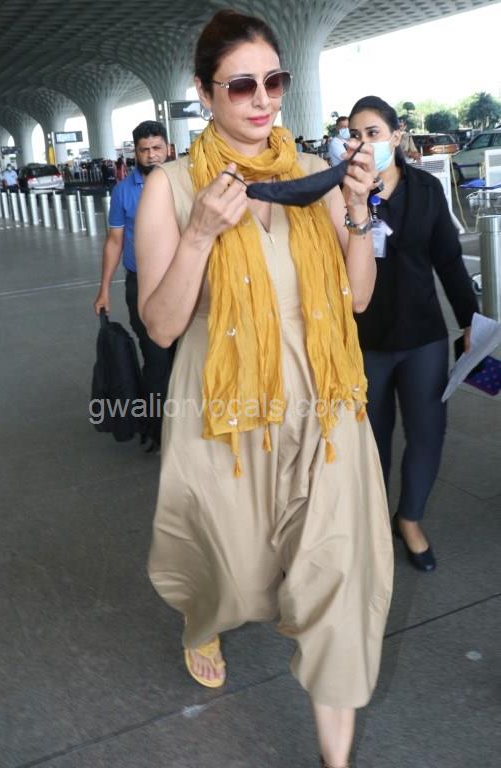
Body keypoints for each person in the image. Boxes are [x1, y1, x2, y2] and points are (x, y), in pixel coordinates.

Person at [136, 11, 393, 768]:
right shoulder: (171, 187)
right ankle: (203, 619)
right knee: (233, 574)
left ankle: (334, 759)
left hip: (326, 404)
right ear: (204, 92)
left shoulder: (309, 175)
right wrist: (200, 234)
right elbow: (160, 326)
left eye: (274, 81)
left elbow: (357, 298)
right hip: (227, 413)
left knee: (341, 575)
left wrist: (356, 212)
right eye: (241, 85)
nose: (262, 99)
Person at [349, 95, 479, 573]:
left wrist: (470, 321)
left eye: (373, 133)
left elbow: (448, 259)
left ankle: (409, 519)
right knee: (371, 439)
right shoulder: (344, 194)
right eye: (355, 135)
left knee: (427, 432)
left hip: (423, 335)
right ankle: (371, 520)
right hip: (364, 341)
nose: (364, 143)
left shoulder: (425, 189)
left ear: (396, 135)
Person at [93, 120, 174, 450]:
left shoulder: (187, 182)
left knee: (187, 356)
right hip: (143, 285)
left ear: (168, 148)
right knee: (156, 359)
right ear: (135, 153)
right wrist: (103, 289)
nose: (152, 155)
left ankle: (188, 426)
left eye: (157, 148)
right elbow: (114, 241)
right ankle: (156, 429)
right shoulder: (123, 191)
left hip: (185, 282)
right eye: (144, 150)